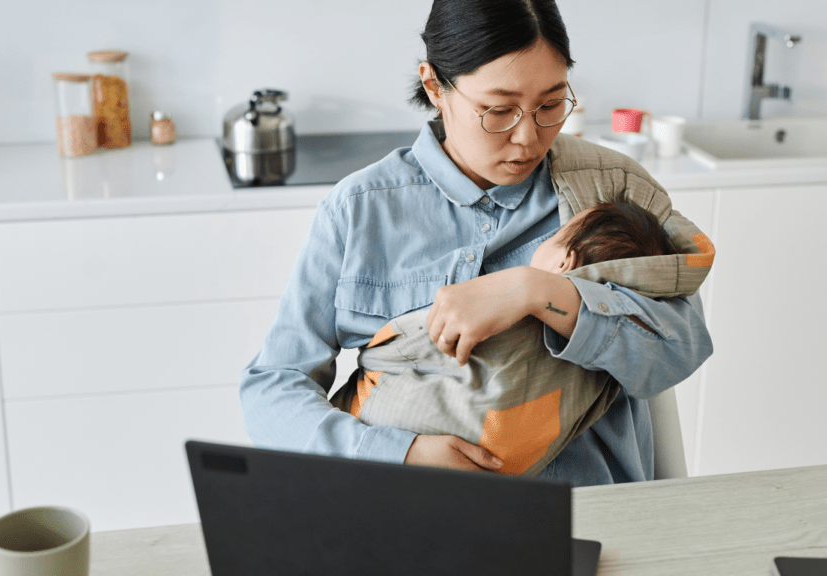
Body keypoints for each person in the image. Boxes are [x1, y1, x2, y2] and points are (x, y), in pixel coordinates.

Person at [240, 0, 714, 486]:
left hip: (581, 511)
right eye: (498, 110)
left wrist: (539, 292)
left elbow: (682, 347)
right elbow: (274, 386)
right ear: (434, 86)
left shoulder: (613, 189)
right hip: (410, 512)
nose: (529, 138)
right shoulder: (360, 210)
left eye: (550, 105)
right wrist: (398, 454)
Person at [328, 200, 686, 477]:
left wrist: (531, 287)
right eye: (498, 109)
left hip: (392, 453)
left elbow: (398, 348)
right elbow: (279, 379)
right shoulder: (355, 204)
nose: (526, 136)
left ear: (564, 262)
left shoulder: (601, 178)